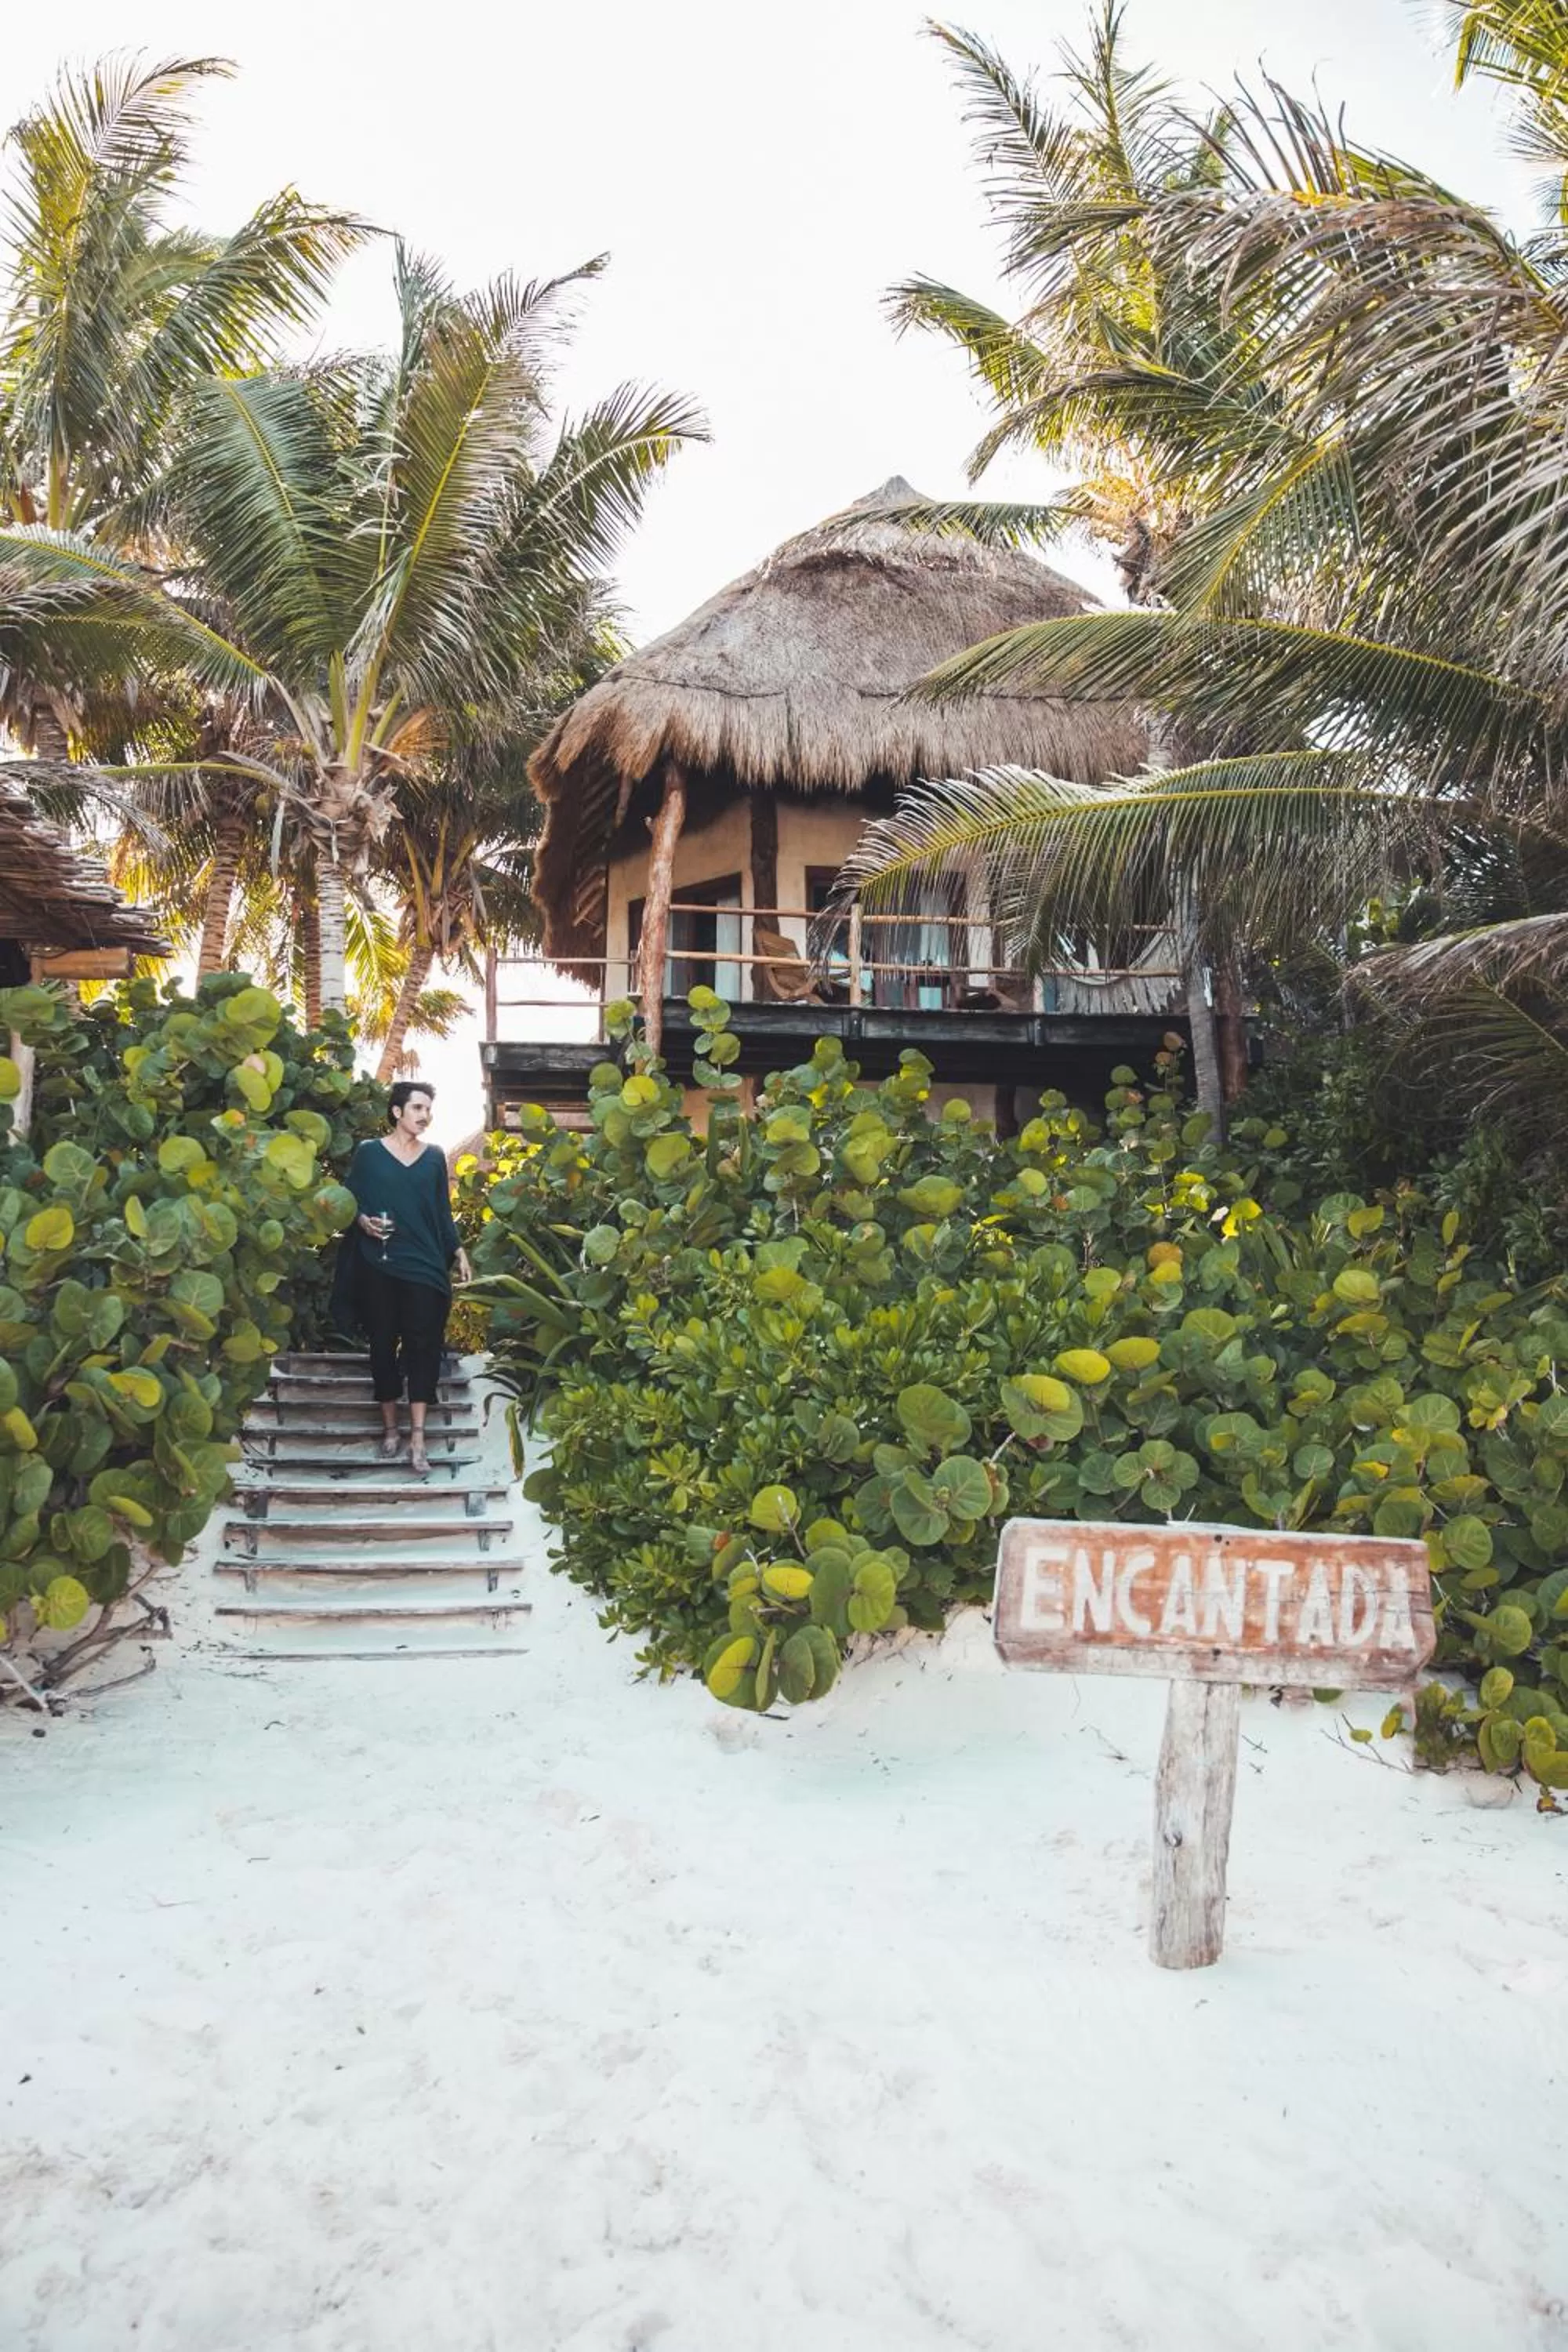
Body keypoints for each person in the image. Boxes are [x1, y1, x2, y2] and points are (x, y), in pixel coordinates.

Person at [341, 1081, 471, 1477]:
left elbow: (442, 1213)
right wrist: (362, 1221)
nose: (424, 1115)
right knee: (382, 1345)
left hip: (425, 1266)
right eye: (417, 1107)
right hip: (378, 1264)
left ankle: (417, 1439)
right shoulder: (368, 1155)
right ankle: (390, 1429)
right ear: (397, 1112)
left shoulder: (434, 1158)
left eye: (428, 1109)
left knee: (423, 1348)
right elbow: (350, 1200)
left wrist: (459, 1251)